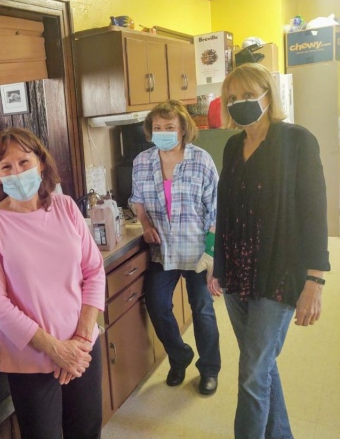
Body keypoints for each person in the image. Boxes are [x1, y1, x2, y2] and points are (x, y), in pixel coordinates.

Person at [211, 63, 329, 438]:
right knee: (259, 366)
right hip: (237, 273)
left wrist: (315, 281)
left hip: (278, 272)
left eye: (248, 95)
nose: (240, 103)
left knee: (251, 372)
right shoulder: (233, 146)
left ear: (268, 95)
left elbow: (314, 214)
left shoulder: (297, 141)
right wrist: (218, 265)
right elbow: (226, 211)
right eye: (232, 98)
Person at [0, 128, 105, 438]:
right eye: (6, 167)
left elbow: (94, 271)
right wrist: (55, 349)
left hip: (83, 347)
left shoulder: (66, 206)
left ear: (41, 163)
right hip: (31, 359)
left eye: (24, 162)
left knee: (87, 432)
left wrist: (80, 341)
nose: (17, 172)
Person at [130, 100, 221, 396]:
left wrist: (211, 254)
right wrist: (145, 225)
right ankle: (179, 356)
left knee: (202, 310)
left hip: (196, 250)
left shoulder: (201, 161)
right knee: (157, 304)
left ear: (182, 129)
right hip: (163, 250)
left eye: (169, 127)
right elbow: (137, 200)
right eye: (157, 127)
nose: (163, 132)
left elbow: (216, 211)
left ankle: (209, 370)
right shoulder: (142, 161)